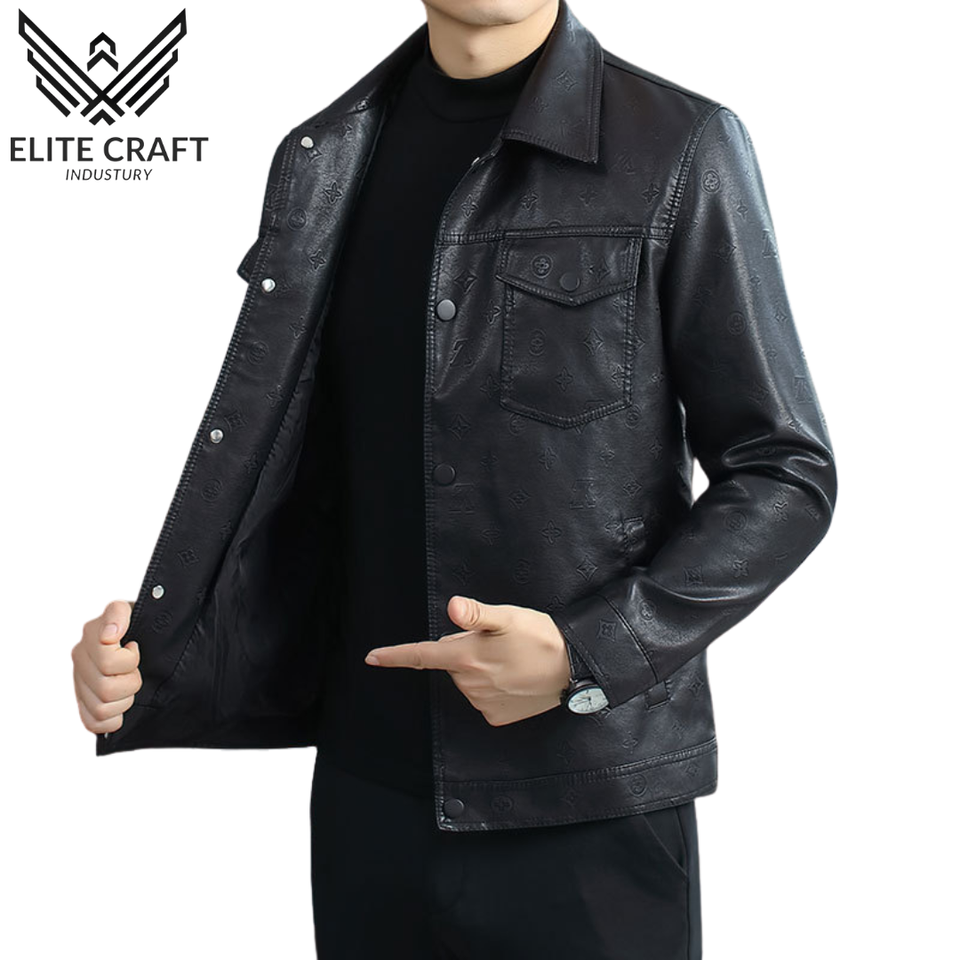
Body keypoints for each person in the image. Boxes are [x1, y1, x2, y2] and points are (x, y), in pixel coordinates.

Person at [73, 2, 838, 957]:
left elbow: (785, 469)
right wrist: (157, 652)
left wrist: (588, 653)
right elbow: (303, 474)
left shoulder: (679, 144)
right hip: (367, 804)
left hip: (585, 805)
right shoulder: (326, 154)